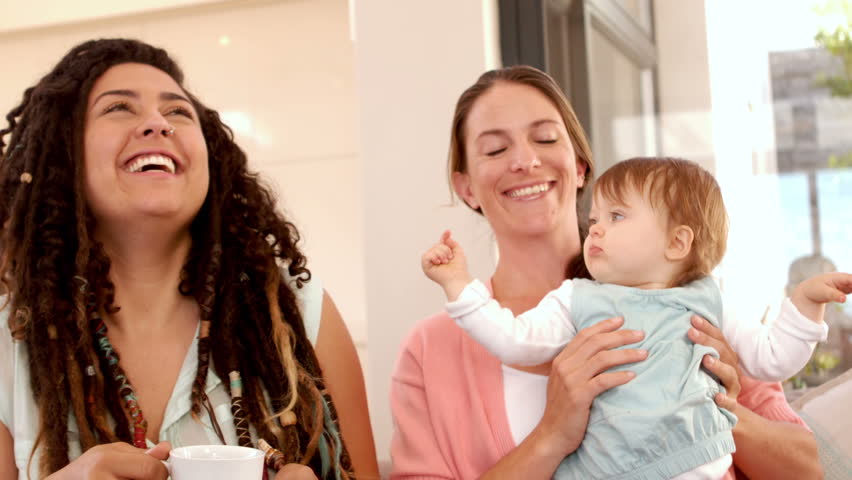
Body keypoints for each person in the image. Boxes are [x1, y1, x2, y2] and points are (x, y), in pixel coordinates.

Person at [389, 65, 823, 479]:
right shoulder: (431, 352)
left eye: (544, 139)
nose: (525, 161)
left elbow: (808, 470)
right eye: (496, 149)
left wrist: (720, 407)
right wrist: (551, 436)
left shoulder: (681, 295)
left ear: (579, 166)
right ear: (466, 188)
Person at [0, 38, 379, 480]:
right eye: (119, 107)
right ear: (61, 154)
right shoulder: (10, 340)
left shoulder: (301, 314)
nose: (158, 123)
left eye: (178, 111)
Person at [422, 157, 851, 479]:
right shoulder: (577, 298)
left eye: (617, 216)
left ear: (677, 243)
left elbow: (773, 358)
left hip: (696, 461)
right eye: (594, 219)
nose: (595, 229)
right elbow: (512, 339)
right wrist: (459, 284)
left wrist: (805, 306)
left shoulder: (710, 299)